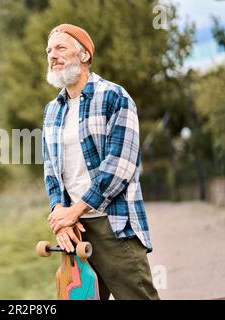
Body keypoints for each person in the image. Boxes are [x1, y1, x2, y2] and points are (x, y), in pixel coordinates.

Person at [42, 23, 159, 300]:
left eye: (61, 48)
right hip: (75, 233)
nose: (52, 55)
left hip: (113, 225)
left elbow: (120, 165)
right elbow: (51, 171)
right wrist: (61, 215)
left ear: (84, 55)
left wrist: (76, 210)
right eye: (48, 50)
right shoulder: (52, 110)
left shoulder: (114, 97)